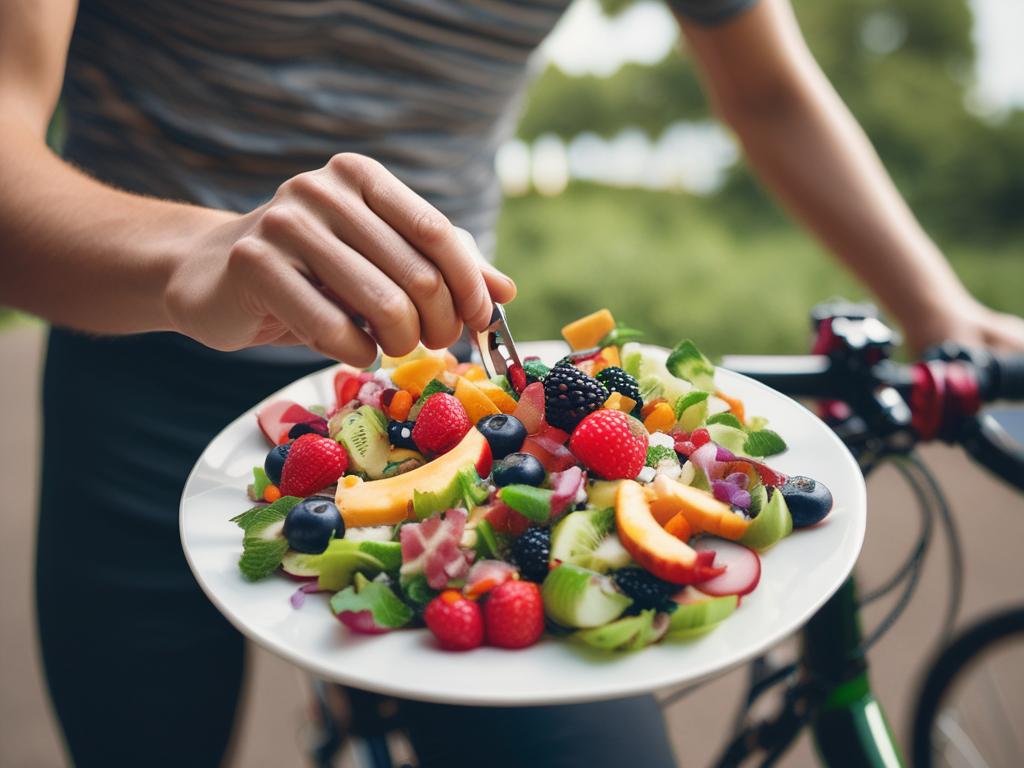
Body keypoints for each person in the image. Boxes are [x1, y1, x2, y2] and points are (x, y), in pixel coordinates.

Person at [1, 0, 1022, 767]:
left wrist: (939, 311)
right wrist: (197, 256)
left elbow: (764, 87)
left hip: (452, 386)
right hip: (135, 369)